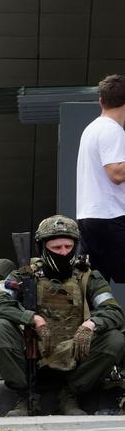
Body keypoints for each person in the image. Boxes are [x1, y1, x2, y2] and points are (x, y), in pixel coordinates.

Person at [0, 215, 125, 416]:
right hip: (33, 351)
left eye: (68, 247)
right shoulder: (23, 275)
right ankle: (26, 396)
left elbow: (114, 311)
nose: (64, 253)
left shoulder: (88, 276)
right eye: (57, 248)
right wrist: (32, 319)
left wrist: (91, 324)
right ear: (42, 247)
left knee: (115, 338)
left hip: (74, 351)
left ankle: (70, 395)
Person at [76, 74, 125, 283]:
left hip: (89, 217)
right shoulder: (112, 130)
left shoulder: (92, 128)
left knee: (96, 284)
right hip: (112, 217)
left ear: (101, 100)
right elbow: (116, 173)